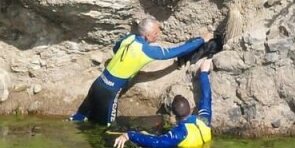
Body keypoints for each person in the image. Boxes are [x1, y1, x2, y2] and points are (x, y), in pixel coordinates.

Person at [69, 16, 212, 126]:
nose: (158, 35)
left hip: (98, 83)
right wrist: (201, 40)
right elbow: (177, 51)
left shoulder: (129, 37)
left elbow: (116, 48)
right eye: (156, 33)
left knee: (78, 118)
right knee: (108, 128)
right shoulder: (148, 50)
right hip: (109, 92)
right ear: (147, 36)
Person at [113, 57, 213, 148]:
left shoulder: (179, 133)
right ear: (191, 108)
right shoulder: (204, 120)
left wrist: (129, 135)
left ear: (173, 114)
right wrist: (204, 72)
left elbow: (157, 142)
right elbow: (206, 97)